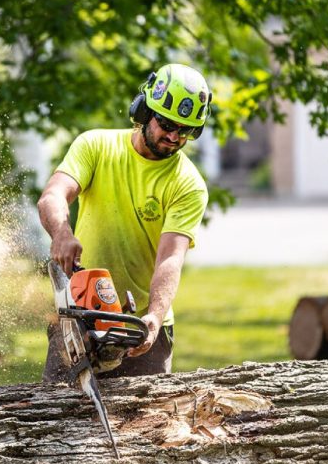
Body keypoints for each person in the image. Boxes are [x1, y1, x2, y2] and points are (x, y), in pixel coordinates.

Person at [38, 63, 212, 382]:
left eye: (184, 131)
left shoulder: (188, 183)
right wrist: (62, 232)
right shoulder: (95, 145)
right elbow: (53, 195)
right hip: (81, 312)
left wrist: (154, 318)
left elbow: (171, 258)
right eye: (167, 123)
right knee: (55, 414)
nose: (173, 136)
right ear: (144, 111)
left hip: (140, 327)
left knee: (150, 425)